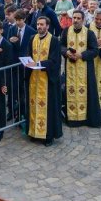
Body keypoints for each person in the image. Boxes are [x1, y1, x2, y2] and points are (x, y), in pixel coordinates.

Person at [23, 16, 63, 146]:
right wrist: (27, 62)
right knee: (33, 105)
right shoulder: (32, 39)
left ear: (47, 26)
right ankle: (34, 133)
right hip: (34, 79)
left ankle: (48, 136)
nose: (39, 27)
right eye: (38, 24)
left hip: (47, 80)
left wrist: (39, 63)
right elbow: (29, 54)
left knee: (48, 108)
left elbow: (55, 61)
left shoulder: (54, 41)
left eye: (42, 25)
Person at [61, 10, 101, 128]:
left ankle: (86, 119)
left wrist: (82, 55)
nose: (76, 20)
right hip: (70, 69)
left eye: (78, 18)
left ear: (83, 20)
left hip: (85, 70)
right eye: (74, 18)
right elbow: (61, 45)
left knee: (87, 93)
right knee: (71, 91)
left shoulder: (89, 33)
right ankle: (73, 119)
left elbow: (95, 50)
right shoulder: (66, 31)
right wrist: (66, 52)